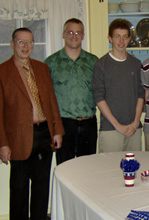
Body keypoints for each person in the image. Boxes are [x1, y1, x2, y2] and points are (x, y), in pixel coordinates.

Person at [0, 28, 64, 220]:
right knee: (19, 185)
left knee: (42, 183)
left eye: (29, 42)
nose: (25, 46)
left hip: (43, 133)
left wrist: (57, 130)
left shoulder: (41, 68)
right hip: (18, 137)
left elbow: (50, 102)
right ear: (12, 44)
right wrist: (2, 144)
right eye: (20, 42)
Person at [45, 18, 98, 165]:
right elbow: (46, 98)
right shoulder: (51, 62)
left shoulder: (93, 61)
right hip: (63, 124)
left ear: (83, 35)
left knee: (88, 169)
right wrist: (54, 129)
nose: (74, 36)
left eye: (78, 32)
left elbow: (101, 91)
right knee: (64, 169)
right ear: (63, 35)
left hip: (89, 123)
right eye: (70, 32)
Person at [92, 19, 144, 152]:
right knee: (110, 171)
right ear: (110, 38)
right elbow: (98, 97)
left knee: (134, 169)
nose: (121, 41)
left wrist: (136, 122)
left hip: (134, 129)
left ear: (129, 39)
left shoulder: (136, 63)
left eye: (125, 36)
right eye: (117, 36)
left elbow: (140, 93)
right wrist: (117, 125)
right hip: (111, 129)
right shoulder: (101, 64)